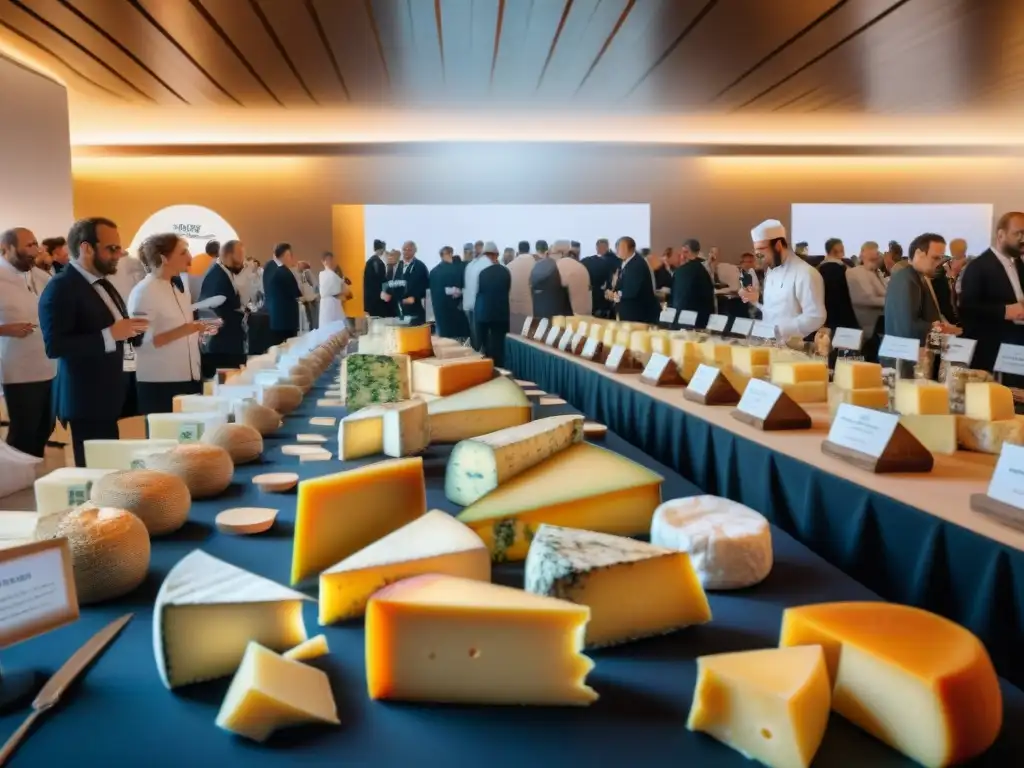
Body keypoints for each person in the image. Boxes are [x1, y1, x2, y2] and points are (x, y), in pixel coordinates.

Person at [39, 217, 149, 467]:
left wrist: (133, 329)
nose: (119, 254)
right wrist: (111, 334)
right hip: (85, 399)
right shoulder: (61, 287)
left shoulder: (101, 283)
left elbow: (114, 329)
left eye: (119, 248)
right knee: (96, 476)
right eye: (112, 248)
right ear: (86, 248)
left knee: (110, 470)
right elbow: (55, 346)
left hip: (108, 394)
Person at [128, 234, 216, 415]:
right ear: (163, 258)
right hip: (160, 382)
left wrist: (197, 331)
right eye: (183, 252)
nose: (190, 258)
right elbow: (139, 342)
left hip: (189, 377)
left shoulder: (178, 288)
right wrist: (186, 330)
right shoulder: (144, 292)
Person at [0, 227, 56, 457]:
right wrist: (4, 329)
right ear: (7, 248)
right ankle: (15, 480)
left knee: (46, 427)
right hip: (18, 369)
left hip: (49, 366)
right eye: (29, 245)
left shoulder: (42, 276)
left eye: (36, 244)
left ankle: (32, 476)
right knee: (24, 430)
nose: (36, 250)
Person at [885, 233, 958, 377]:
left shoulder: (915, 277)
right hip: (906, 364)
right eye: (935, 258)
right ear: (919, 253)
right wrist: (941, 329)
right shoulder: (907, 280)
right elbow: (907, 327)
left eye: (941, 258)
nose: (940, 263)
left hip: (912, 361)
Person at [960, 212, 1024, 376]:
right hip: (992, 353)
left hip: (1017, 350)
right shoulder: (978, 266)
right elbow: (968, 309)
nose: (1023, 239)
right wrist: (1004, 311)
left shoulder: (1019, 264)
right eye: (1019, 233)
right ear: (1001, 235)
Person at [741, 220, 825, 341]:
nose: (758, 256)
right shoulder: (771, 272)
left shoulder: (805, 273)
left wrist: (780, 329)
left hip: (794, 349)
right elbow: (772, 311)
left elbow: (816, 317)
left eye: (761, 250)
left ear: (778, 246)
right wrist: (756, 302)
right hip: (767, 344)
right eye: (756, 251)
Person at [199, 239, 248, 378]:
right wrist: (240, 314)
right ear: (227, 255)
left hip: (226, 343)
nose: (242, 260)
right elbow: (212, 311)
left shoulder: (224, 273)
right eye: (240, 255)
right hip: (221, 346)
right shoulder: (216, 276)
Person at [529, 239, 592, 319]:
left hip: (541, 324)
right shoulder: (573, 267)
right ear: (569, 252)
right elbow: (583, 311)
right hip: (565, 324)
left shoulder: (538, 267)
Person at [474, 242, 510, 366]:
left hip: (484, 314)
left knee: (484, 346)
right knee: (499, 345)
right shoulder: (505, 271)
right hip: (501, 314)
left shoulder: (481, 272)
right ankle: (499, 369)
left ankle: (487, 368)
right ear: (497, 255)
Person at [611, 236, 660, 323]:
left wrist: (615, 295)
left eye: (620, 247)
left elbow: (631, 291)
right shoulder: (627, 262)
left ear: (630, 249)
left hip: (637, 314)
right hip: (630, 313)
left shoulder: (637, 264)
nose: (617, 250)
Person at [818, 238, 860, 333]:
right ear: (834, 250)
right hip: (843, 316)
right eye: (842, 248)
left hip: (827, 315)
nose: (844, 250)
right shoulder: (840, 269)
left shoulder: (820, 268)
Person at [670, 242, 715, 329]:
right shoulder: (703, 271)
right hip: (699, 320)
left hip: (682, 319)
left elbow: (676, 297)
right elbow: (708, 297)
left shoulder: (680, 271)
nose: (681, 255)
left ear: (687, 252)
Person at [265, 243, 302, 345]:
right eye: (290, 255)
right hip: (286, 319)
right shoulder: (284, 271)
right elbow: (296, 293)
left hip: (275, 317)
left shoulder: (269, 267)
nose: (292, 259)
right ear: (286, 255)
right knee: (287, 349)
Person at [429, 246, 470, 340]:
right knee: (461, 339)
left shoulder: (434, 272)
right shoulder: (459, 268)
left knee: (445, 340)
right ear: (450, 253)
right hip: (457, 309)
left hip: (441, 313)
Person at [461, 246, 490, 350]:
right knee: (476, 335)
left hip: (475, 305)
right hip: (474, 305)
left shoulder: (477, 264)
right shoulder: (474, 264)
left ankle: (479, 354)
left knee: (477, 335)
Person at [582, 238, 617, 318]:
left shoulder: (587, 261)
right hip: (608, 303)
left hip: (592, 300)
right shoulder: (616, 261)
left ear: (596, 248)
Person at [507, 240, 538, 326]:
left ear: (519, 250)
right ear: (529, 249)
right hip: (531, 311)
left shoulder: (509, 266)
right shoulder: (536, 265)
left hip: (513, 310)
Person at [318, 251, 350, 328]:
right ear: (323, 261)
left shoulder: (335, 275)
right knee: (327, 326)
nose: (330, 261)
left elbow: (345, 290)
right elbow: (324, 291)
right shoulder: (322, 274)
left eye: (331, 259)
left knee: (339, 326)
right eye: (327, 259)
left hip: (335, 302)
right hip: (327, 303)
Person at [363, 239, 388, 317]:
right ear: (382, 249)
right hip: (378, 300)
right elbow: (381, 281)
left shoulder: (369, 262)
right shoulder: (378, 263)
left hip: (370, 300)